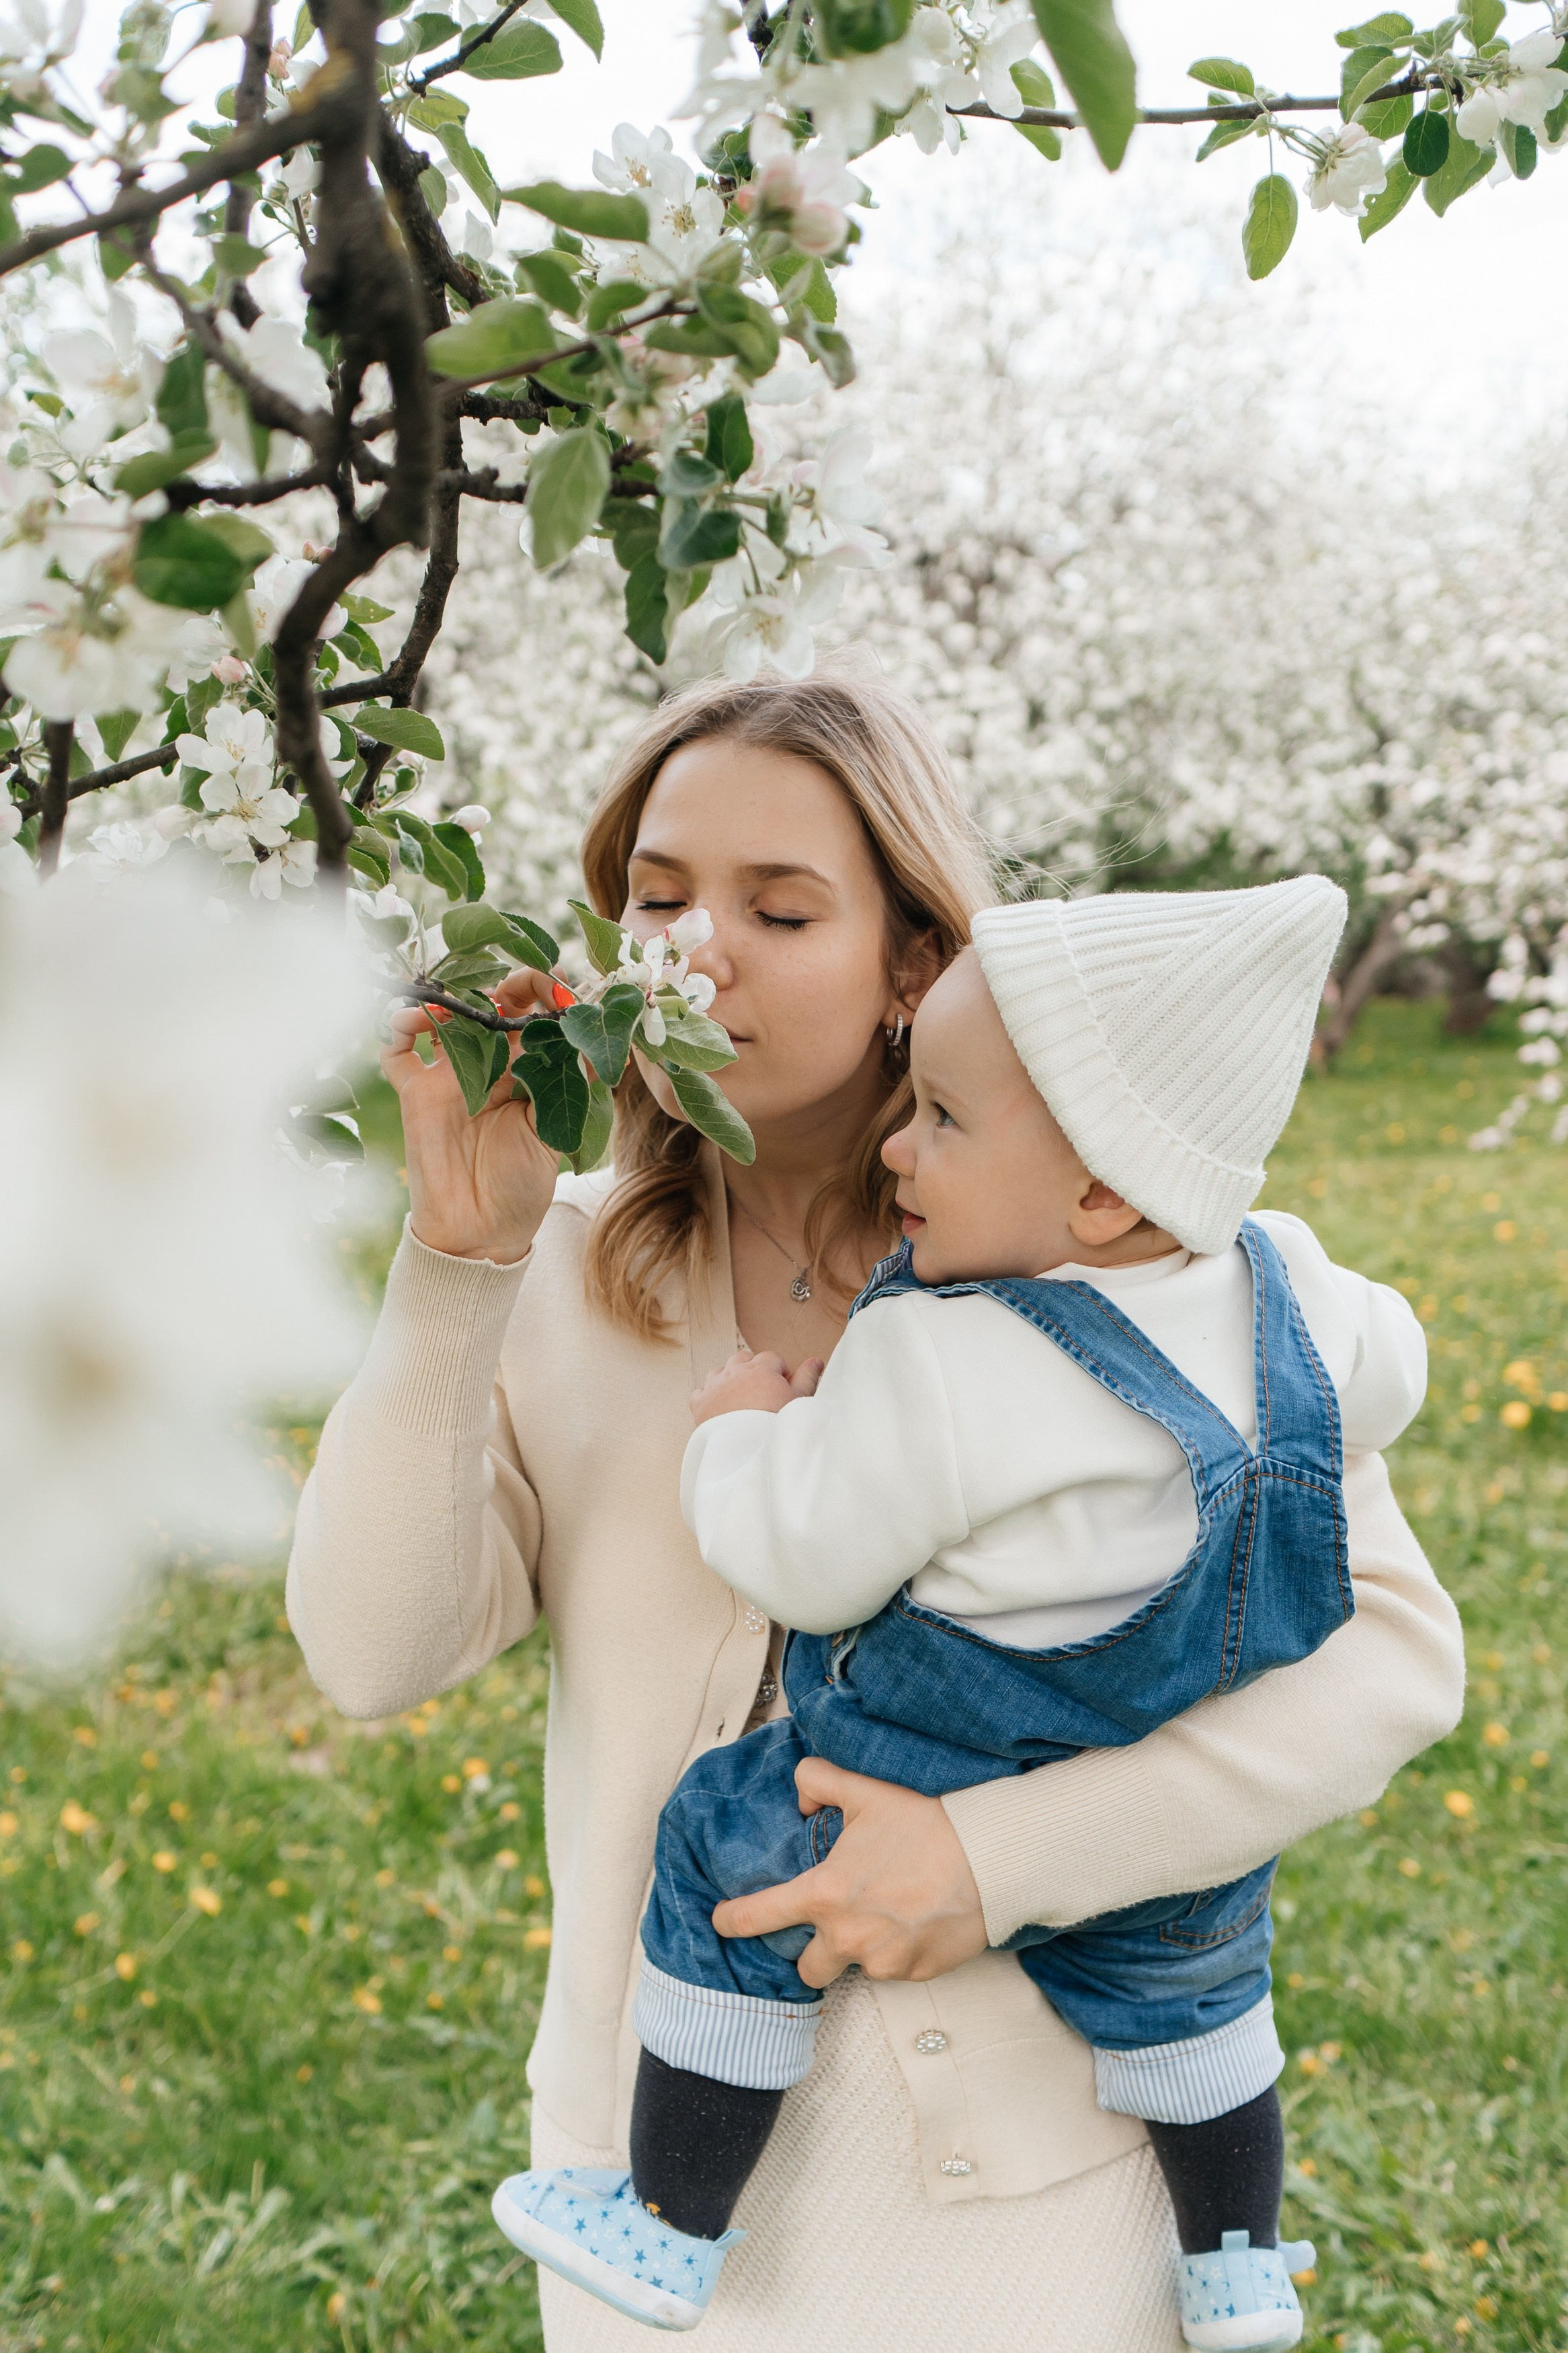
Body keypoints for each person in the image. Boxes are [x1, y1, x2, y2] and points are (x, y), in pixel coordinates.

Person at [287, 672, 1464, 2353]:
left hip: (1048, 2197)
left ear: (916, 960)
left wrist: (994, 1864)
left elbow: (1395, 1664)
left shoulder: (1126, 1266)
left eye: (780, 907)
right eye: (657, 897)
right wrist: (458, 1260)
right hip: (660, 2200)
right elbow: (364, 1652)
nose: (697, 951)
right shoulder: (562, 1273)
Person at [491, 879, 1426, 2350]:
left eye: (942, 1115)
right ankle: (1240, 2257)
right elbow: (1394, 1369)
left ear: (1107, 1191)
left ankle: (667, 2222)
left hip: (943, 1741)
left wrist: (735, 1433)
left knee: (727, 1845)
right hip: (1157, 1733)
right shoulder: (1294, 1282)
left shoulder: (945, 1361)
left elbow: (802, 1561)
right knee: (1195, 1975)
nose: (899, 1143)